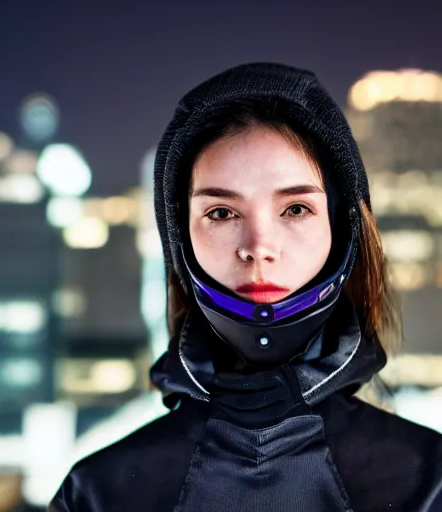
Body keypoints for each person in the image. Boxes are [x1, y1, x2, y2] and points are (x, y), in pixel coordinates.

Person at [49, 63, 442, 511]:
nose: (258, 248)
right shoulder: (98, 494)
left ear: (344, 225)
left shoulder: (429, 482)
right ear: (180, 237)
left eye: (295, 209)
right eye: (221, 213)